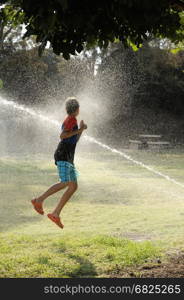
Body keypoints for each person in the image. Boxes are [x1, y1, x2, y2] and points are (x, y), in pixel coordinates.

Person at [31, 97, 87, 229]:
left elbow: (73, 139)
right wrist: (79, 130)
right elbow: (62, 136)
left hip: (68, 156)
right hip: (63, 155)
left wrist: (81, 129)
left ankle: (56, 213)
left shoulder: (73, 121)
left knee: (73, 186)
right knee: (65, 182)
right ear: (77, 109)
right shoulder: (70, 120)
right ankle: (39, 200)